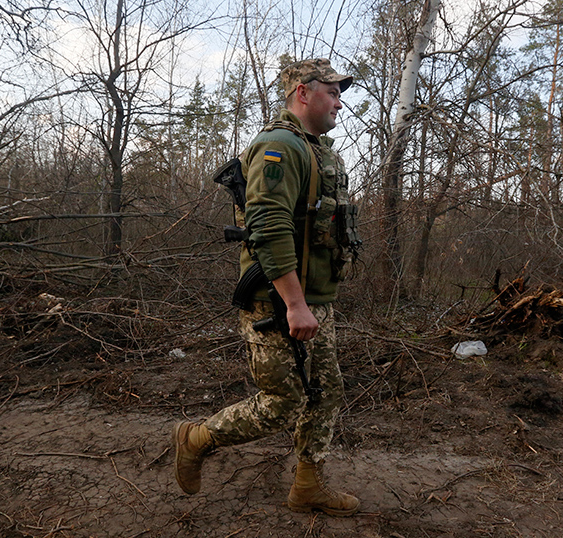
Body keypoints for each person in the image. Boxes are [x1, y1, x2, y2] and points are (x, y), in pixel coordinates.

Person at [172, 58, 361, 516]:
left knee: (326, 392)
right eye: (332, 92)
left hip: (312, 301)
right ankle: (196, 438)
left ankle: (308, 486)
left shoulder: (314, 149)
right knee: (282, 402)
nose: (339, 102)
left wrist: (312, 302)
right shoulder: (279, 146)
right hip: (277, 301)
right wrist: (295, 303)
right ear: (303, 92)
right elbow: (268, 223)